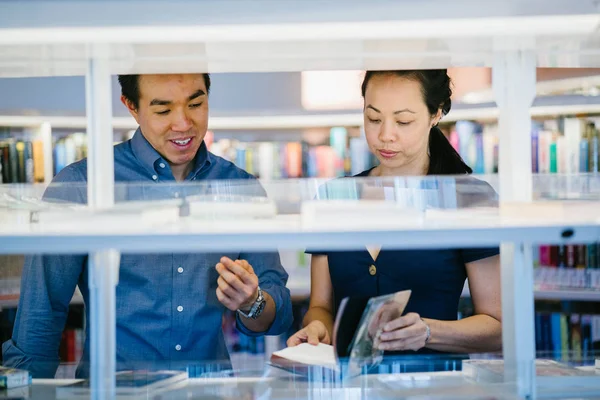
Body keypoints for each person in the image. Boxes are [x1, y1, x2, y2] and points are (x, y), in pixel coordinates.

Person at [2, 73, 293, 378]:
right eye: (163, 110)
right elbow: (41, 315)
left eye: (196, 103)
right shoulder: (82, 185)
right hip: (114, 394)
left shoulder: (239, 187)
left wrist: (252, 301)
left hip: (211, 390)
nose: (183, 124)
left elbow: (278, 315)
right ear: (131, 106)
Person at [287, 70, 501, 369]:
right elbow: (321, 306)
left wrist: (428, 332)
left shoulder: (468, 197)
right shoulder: (335, 195)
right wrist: (318, 327)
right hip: (353, 386)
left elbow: (498, 327)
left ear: (435, 114)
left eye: (403, 121)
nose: (385, 134)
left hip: (436, 386)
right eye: (373, 119)